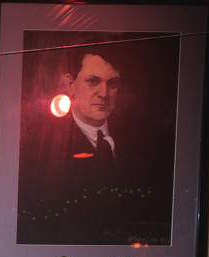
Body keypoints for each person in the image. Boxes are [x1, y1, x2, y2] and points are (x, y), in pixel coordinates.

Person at [16, 45, 173, 245]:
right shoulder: (39, 145)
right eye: (93, 82)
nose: (104, 94)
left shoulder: (148, 141)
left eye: (113, 84)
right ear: (70, 84)